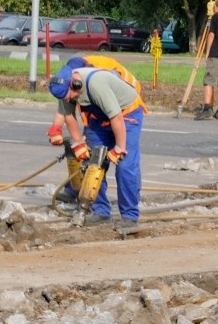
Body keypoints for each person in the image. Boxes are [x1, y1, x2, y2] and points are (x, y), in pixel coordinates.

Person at [48, 62, 146, 229]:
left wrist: (119, 148)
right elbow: (69, 116)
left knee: (125, 165)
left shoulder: (96, 84)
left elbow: (116, 117)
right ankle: (101, 211)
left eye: (70, 95)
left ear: (75, 83)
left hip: (126, 114)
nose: (69, 99)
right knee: (91, 163)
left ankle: (130, 216)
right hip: (99, 118)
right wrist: (79, 143)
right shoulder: (64, 90)